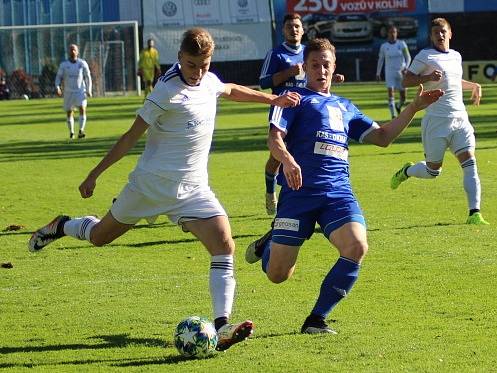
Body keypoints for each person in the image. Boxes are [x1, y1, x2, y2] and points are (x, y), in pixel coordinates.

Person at [29, 28, 300, 351]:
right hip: (149, 186)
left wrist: (274, 98)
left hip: (193, 190)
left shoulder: (208, 80)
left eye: (203, 64)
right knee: (100, 236)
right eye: (190, 65)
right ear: (179, 58)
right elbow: (130, 136)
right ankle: (62, 225)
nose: (198, 72)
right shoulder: (165, 91)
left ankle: (222, 325)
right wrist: (94, 174)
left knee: (224, 245)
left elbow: (229, 89)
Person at [245, 38, 442, 334]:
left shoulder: (345, 106)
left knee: (357, 245)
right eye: (315, 65)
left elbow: (383, 137)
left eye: (326, 65)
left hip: (337, 192)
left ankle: (316, 320)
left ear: (334, 67)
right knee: (278, 275)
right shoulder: (292, 98)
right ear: (306, 68)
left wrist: (414, 107)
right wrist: (287, 160)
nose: (321, 70)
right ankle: (269, 244)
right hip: (299, 194)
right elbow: (274, 139)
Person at [391, 18, 489, 225]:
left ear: (450, 33)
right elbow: (406, 80)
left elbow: (453, 81)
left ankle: (474, 213)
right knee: (432, 171)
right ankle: (407, 171)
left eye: (443, 31)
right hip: (436, 122)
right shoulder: (425, 55)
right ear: (431, 36)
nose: (440, 35)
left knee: (470, 164)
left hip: (460, 120)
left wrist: (473, 85)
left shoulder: (456, 56)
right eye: (436, 32)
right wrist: (426, 78)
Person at [259, 13, 344, 215]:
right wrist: (289, 72)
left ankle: (307, 200)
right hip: (285, 111)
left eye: (297, 26)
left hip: (309, 112)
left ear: (303, 30)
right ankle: (271, 193)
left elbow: (318, 78)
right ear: (283, 30)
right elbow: (263, 82)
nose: (294, 30)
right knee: (278, 156)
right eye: (289, 26)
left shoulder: (310, 53)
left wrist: (333, 77)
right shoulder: (277, 54)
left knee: (306, 154)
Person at [55, 44, 92, 139]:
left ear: (77, 52)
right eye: (71, 50)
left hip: (80, 91)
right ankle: (71, 132)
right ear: (68, 52)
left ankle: (81, 130)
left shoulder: (82, 63)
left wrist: (89, 89)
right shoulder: (64, 65)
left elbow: (88, 77)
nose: (73, 51)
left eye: (74, 50)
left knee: (82, 109)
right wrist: (57, 87)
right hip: (68, 92)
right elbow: (58, 76)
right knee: (69, 112)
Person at [376, 25, 411, 119]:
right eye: (391, 32)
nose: (393, 34)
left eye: (394, 32)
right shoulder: (384, 46)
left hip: (401, 72)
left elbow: (408, 57)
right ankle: (393, 115)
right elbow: (381, 60)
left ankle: (398, 106)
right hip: (389, 72)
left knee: (403, 97)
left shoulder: (402, 44)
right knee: (390, 92)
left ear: (397, 33)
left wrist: (406, 68)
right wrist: (378, 73)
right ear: (387, 34)